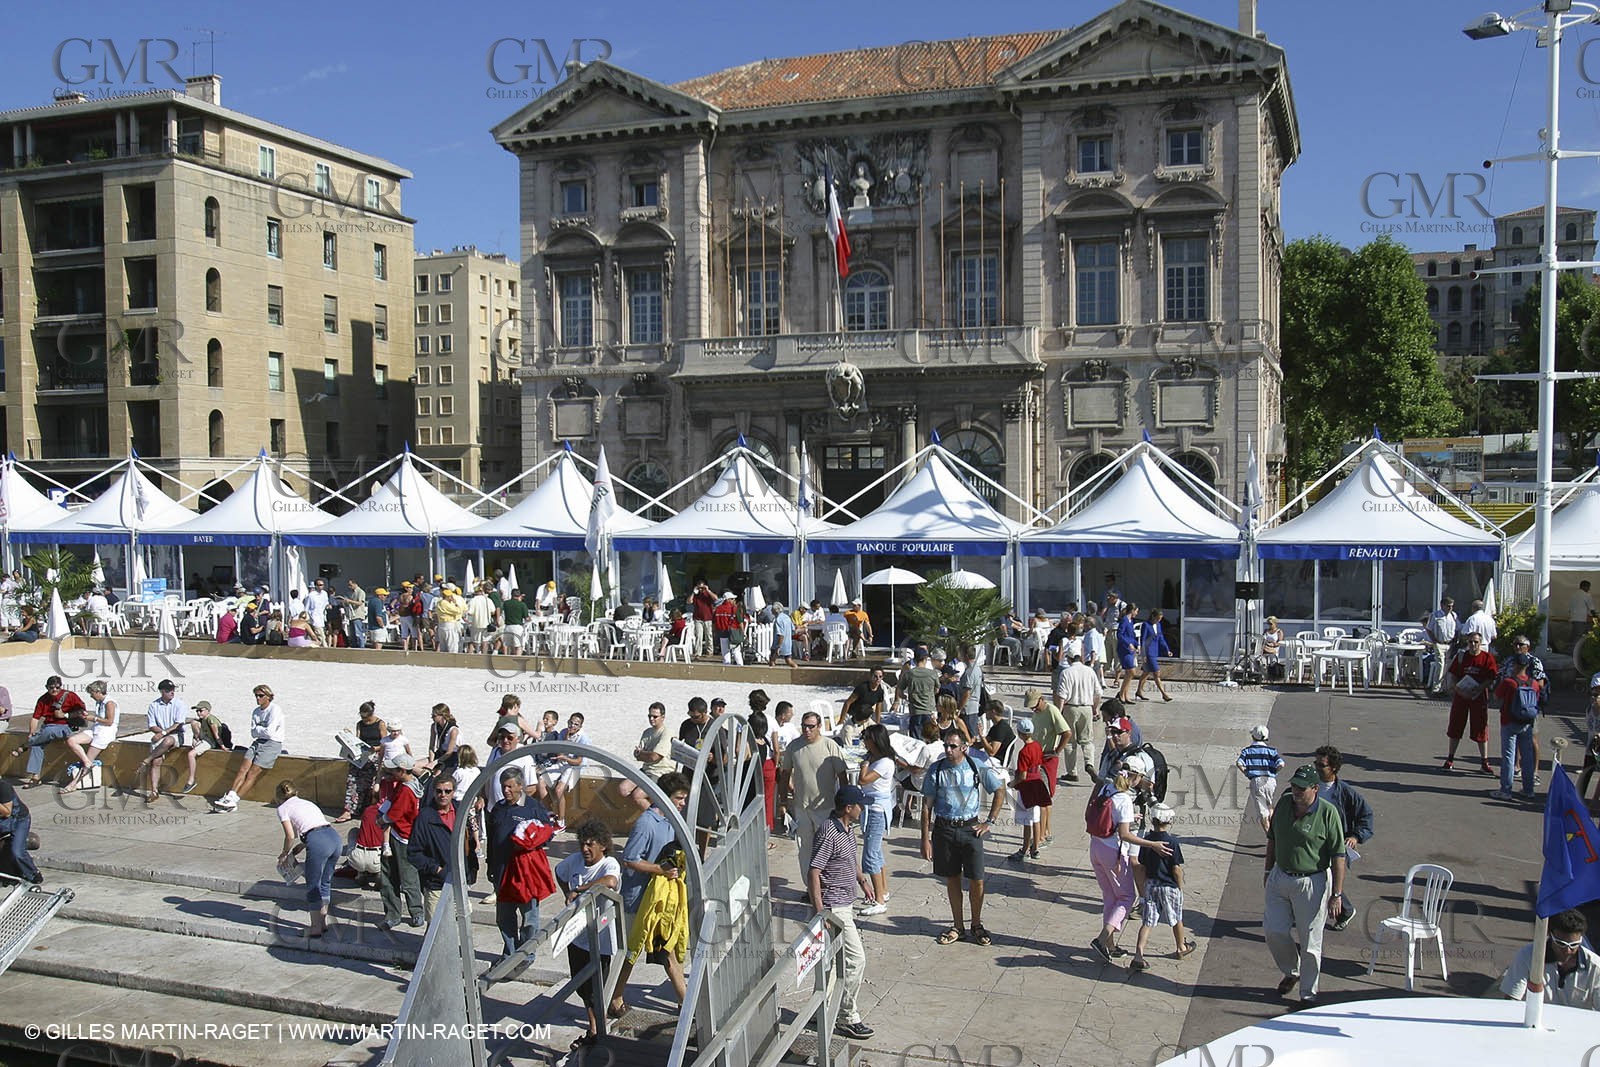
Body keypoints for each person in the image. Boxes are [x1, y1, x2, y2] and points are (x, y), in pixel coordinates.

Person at [1263, 764, 1347, 1005]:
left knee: (1311, 941)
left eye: (1301, 788)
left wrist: (1337, 894)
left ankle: (1308, 994)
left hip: (1312, 881)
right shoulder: (1284, 804)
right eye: (1293, 786)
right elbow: (1272, 839)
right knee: (1274, 930)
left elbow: (1338, 855)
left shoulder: (1328, 813)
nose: (1296, 791)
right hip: (1280, 875)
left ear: (1315, 788)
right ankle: (1292, 971)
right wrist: (1268, 869)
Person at [610, 771, 691, 1020]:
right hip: (639, 899)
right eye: (679, 798)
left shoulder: (671, 821)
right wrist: (660, 870)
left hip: (660, 902)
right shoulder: (646, 823)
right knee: (630, 952)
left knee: (666, 951)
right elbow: (630, 859)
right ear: (664, 797)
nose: (683, 803)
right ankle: (614, 998)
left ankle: (685, 1004)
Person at [920, 726, 1007, 947]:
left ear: (964, 747)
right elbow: (926, 805)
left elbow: (999, 790)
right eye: (946, 746)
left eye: (953, 746)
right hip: (945, 829)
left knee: (977, 879)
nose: (948, 750)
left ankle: (976, 923)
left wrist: (990, 821)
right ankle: (958, 925)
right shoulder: (936, 770)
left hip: (970, 829)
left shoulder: (975, 767)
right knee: (952, 878)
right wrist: (925, 838)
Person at [809, 785, 877, 1041]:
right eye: (860, 804)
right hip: (834, 907)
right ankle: (847, 1017)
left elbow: (849, 857)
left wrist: (861, 880)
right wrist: (820, 912)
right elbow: (814, 870)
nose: (863, 808)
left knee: (834, 963)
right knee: (855, 960)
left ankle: (822, 1011)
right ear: (848, 808)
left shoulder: (847, 829)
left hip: (846, 901)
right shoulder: (829, 833)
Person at [1087, 751, 1169, 962]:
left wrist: (1130, 817)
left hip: (1095, 846)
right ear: (1136, 777)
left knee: (1110, 897)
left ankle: (1110, 945)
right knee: (1127, 897)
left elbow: (1108, 816)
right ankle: (1102, 938)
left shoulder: (1107, 787)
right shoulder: (1124, 799)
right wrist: (1153, 844)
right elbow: (1125, 835)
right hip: (1112, 852)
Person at [554, 819, 622, 1051]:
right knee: (582, 987)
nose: (585, 849)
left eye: (590, 844)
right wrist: (567, 894)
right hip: (577, 937)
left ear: (603, 845)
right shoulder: (574, 861)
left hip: (600, 940)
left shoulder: (609, 863)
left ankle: (596, 1031)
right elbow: (559, 872)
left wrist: (579, 890)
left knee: (596, 989)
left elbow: (610, 882)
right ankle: (593, 1027)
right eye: (582, 844)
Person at [486, 766, 554, 958]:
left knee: (529, 918)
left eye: (509, 787)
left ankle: (526, 954)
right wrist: (490, 865)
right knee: (504, 917)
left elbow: (547, 833)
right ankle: (510, 953)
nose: (505, 791)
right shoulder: (498, 808)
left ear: (520, 786)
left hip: (525, 875)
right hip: (502, 871)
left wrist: (529, 841)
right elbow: (492, 838)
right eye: (503, 787)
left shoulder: (533, 807)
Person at [778, 709, 849, 888]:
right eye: (804, 726)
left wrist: (844, 804)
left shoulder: (830, 745)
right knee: (805, 850)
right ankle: (811, 888)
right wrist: (783, 802)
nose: (807, 730)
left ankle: (827, 886)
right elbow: (785, 774)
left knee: (826, 849)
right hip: (801, 808)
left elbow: (842, 776)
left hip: (826, 808)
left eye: (811, 726)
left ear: (819, 727)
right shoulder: (794, 746)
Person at [1312, 745, 1373, 932]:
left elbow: (1366, 816)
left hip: (1336, 846)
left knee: (1327, 880)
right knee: (1315, 879)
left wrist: (1355, 836)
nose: (1316, 768)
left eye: (1321, 765)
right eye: (1315, 763)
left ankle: (1343, 910)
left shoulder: (1346, 793)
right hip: (1313, 842)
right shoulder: (1309, 785)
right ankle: (1339, 910)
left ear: (1334, 769)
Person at [1130, 803, 1194, 971]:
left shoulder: (1147, 841)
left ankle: (1138, 954)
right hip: (1169, 885)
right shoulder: (1172, 841)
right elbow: (1176, 869)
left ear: (1152, 819)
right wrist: (1180, 887)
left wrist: (1142, 889)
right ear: (1169, 821)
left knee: (1148, 921)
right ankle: (1181, 947)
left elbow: (1142, 866)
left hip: (1151, 884)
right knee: (1176, 917)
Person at [408, 772, 478, 921]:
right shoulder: (425, 817)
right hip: (437, 884)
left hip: (460, 881)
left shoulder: (461, 811)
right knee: (436, 929)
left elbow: (470, 841)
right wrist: (437, 869)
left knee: (461, 923)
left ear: (454, 792)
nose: (443, 795)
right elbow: (414, 853)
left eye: (447, 791)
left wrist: (470, 870)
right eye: (439, 791)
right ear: (433, 792)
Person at [274, 781, 341, 937]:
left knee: (313, 885)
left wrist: (285, 853)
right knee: (325, 882)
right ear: (295, 792)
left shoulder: (282, 808)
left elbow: (290, 835)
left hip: (317, 841)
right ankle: (323, 923)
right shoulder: (307, 803)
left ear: (279, 797)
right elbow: (315, 825)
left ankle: (316, 927)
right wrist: (303, 845)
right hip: (333, 837)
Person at [1499, 908, 1600, 1009]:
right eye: (1561, 944)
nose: (1568, 950)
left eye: (1574, 945)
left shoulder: (1596, 967)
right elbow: (1512, 1000)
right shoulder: (1527, 956)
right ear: (1549, 934)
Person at [211, 685, 285, 812]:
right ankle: (230, 796)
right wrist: (261, 730)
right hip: (258, 742)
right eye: (256, 696)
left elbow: (270, 733)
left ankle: (234, 801)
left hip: (272, 744)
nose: (257, 698)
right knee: (242, 770)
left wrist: (259, 730)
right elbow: (253, 733)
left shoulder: (275, 710)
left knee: (252, 774)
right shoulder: (256, 711)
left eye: (261, 696)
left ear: (268, 697)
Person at [12, 676, 86, 788]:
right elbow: (35, 718)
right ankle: (35, 777)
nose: (55, 690)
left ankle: (25, 746)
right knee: (37, 745)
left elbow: (82, 711)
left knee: (50, 731)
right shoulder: (43, 699)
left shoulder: (70, 696)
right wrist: (32, 732)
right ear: (47, 687)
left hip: (65, 726)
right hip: (47, 727)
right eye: (52, 687)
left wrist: (65, 715)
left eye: (57, 687)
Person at [1443, 630, 1497, 775]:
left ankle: (1484, 761)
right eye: (1470, 642)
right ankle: (1450, 758)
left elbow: (1491, 677)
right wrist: (1457, 689)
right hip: (1461, 696)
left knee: (1480, 727)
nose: (1473, 645)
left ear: (1480, 643)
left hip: (1478, 697)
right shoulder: (1461, 657)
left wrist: (1479, 688)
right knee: (1455, 725)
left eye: (1476, 642)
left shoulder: (1487, 658)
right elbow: (1453, 675)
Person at [1020, 688, 1070, 844]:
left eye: (1035, 705)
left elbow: (1066, 732)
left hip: (1048, 757)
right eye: (1031, 707)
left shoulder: (1052, 710)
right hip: (1038, 757)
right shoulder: (1036, 713)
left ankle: (1040, 836)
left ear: (1041, 699)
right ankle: (1046, 830)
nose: (1033, 709)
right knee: (1045, 798)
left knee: (1042, 799)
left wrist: (1057, 751)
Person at [1490, 660, 1544, 803]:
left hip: (1509, 721)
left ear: (1515, 666)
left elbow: (1496, 696)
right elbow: (1537, 700)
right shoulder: (1534, 684)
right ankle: (1528, 789)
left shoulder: (1509, 682)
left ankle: (1506, 790)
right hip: (1527, 723)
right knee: (1527, 756)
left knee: (1509, 756)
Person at [856, 724, 896, 913]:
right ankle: (884, 891)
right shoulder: (875, 758)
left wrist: (864, 765)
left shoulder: (885, 762)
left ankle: (879, 900)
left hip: (877, 810)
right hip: (869, 807)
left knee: (870, 855)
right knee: (877, 852)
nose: (865, 742)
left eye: (867, 739)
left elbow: (863, 780)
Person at [134, 679, 190, 802]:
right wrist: (160, 733)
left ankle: (146, 760)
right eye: (168, 690)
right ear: (161, 691)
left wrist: (163, 733)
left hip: (175, 735)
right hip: (161, 734)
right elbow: (151, 725)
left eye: (173, 690)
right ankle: (154, 791)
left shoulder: (179, 704)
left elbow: (178, 724)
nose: (172, 692)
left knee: (168, 740)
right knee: (156, 761)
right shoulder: (154, 705)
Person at [61, 680, 117, 793]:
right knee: (72, 740)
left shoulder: (110, 703)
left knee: (89, 757)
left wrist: (93, 718)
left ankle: (74, 784)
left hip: (105, 732)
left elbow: (109, 721)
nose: (91, 696)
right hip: (96, 729)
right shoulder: (100, 703)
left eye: (92, 693)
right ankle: (87, 762)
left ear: (98, 691)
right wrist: (88, 716)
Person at [336, 701, 386, 822]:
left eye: (366, 717)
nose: (364, 719)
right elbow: (358, 740)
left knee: (368, 781)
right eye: (362, 716)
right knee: (352, 779)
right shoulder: (360, 724)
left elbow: (385, 742)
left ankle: (365, 810)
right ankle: (348, 810)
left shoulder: (380, 724)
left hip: (375, 754)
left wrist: (376, 749)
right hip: (363, 755)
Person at [1005, 718, 1045, 865]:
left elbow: (1022, 775)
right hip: (1038, 784)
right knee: (1036, 818)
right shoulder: (1037, 746)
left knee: (1026, 821)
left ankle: (1024, 849)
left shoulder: (1023, 752)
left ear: (1020, 734)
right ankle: (1035, 849)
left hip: (1027, 787)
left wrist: (1012, 783)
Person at [1054, 654, 1098, 785]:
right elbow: (1098, 692)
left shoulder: (1066, 672)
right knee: (1087, 740)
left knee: (1069, 742)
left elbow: (1062, 694)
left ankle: (1072, 773)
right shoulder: (1090, 671)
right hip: (1087, 708)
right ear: (1081, 659)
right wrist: (1095, 708)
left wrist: (1059, 713)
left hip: (1070, 708)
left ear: (1069, 659)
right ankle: (1089, 763)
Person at [1238, 725, 1285, 837]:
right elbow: (1281, 764)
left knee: (1263, 812)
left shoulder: (1247, 751)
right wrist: (1274, 772)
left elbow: (1239, 763)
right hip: (1271, 780)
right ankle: (1274, 828)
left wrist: (1246, 773)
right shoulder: (1272, 751)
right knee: (1269, 805)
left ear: (1253, 737)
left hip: (1257, 781)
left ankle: (1271, 838)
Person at [0, 773, 42, 884]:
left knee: (17, 852)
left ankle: (33, 874)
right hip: (3, 823)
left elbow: (7, 812)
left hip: (19, 820)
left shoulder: (3, 787)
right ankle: (7, 873)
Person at [181, 701, 228, 794]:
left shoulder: (211, 719)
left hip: (211, 742)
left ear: (208, 710)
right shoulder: (203, 720)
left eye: (201, 711)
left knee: (191, 754)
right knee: (193, 722)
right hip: (205, 739)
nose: (198, 713)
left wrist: (223, 747)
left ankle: (191, 780)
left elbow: (217, 735)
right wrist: (195, 739)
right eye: (197, 711)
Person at [898, 648, 940, 742]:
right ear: (925, 659)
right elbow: (937, 690)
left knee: (915, 742)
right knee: (930, 739)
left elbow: (900, 692)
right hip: (929, 711)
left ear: (914, 659)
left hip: (915, 711)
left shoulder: (908, 674)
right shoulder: (933, 674)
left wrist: (906, 697)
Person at [1135, 610, 1174, 702]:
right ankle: (1164, 694)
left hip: (1154, 651)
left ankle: (1139, 691)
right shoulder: (1146, 625)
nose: (1159, 621)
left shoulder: (1158, 625)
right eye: (1157, 619)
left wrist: (1167, 649)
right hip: (1148, 652)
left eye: (1160, 619)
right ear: (1153, 616)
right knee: (1157, 673)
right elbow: (1143, 639)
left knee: (1146, 673)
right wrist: (1143, 654)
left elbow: (1161, 639)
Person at [1425, 596, 1459, 695]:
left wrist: (1456, 640)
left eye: (1452, 606)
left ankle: (1444, 688)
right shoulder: (1435, 615)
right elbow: (1429, 629)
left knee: (1447, 667)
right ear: (1442, 605)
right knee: (1440, 665)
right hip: (1439, 643)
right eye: (1448, 606)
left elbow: (1458, 628)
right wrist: (1434, 641)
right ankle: (1436, 688)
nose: (1450, 608)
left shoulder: (1453, 615)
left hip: (1449, 644)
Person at [425, 703, 461, 777]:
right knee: (416, 766)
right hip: (440, 754)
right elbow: (431, 747)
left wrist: (435, 763)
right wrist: (431, 762)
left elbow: (449, 752)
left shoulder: (453, 730)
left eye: (434, 716)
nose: (432, 717)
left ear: (442, 716)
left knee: (436, 776)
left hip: (451, 757)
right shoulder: (434, 726)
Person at [957, 645, 985, 738]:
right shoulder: (977, 669)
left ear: (966, 656)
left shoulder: (969, 672)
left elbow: (966, 693)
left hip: (968, 709)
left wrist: (959, 708)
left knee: (969, 735)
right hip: (974, 706)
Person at [713, 591, 744, 666]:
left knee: (725, 652)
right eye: (732, 599)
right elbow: (740, 623)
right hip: (733, 633)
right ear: (728, 600)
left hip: (722, 633)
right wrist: (742, 633)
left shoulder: (717, 609)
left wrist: (714, 633)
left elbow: (713, 623)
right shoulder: (734, 609)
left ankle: (727, 668)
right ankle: (740, 668)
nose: (734, 601)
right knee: (736, 652)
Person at [690, 580, 717, 658]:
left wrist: (708, 590)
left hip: (708, 617)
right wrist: (693, 592)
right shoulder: (696, 595)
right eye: (699, 588)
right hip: (698, 618)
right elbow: (689, 601)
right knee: (699, 635)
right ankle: (698, 652)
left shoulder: (707, 594)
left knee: (709, 635)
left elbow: (716, 598)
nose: (701, 589)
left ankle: (710, 651)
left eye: (702, 587)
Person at [1569, 580, 1597, 654]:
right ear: (1585, 587)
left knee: (1575, 637)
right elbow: (1591, 609)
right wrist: (1596, 618)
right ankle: (1578, 653)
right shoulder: (1586, 595)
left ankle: (1572, 652)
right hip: (1582, 619)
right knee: (1581, 636)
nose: (1589, 589)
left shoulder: (1573, 595)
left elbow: (1571, 608)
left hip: (1574, 618)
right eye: (1588, 587)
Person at [499, 589, 529, 654]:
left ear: (511, 595)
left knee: (507, 645)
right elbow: (526, 618)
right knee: (518, 646)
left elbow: (501, 611)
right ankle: (517, 660)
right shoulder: (522, 604)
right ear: (519, 595)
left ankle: (506, 659)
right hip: (517, 627)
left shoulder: (506, 603)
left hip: (507, 626)